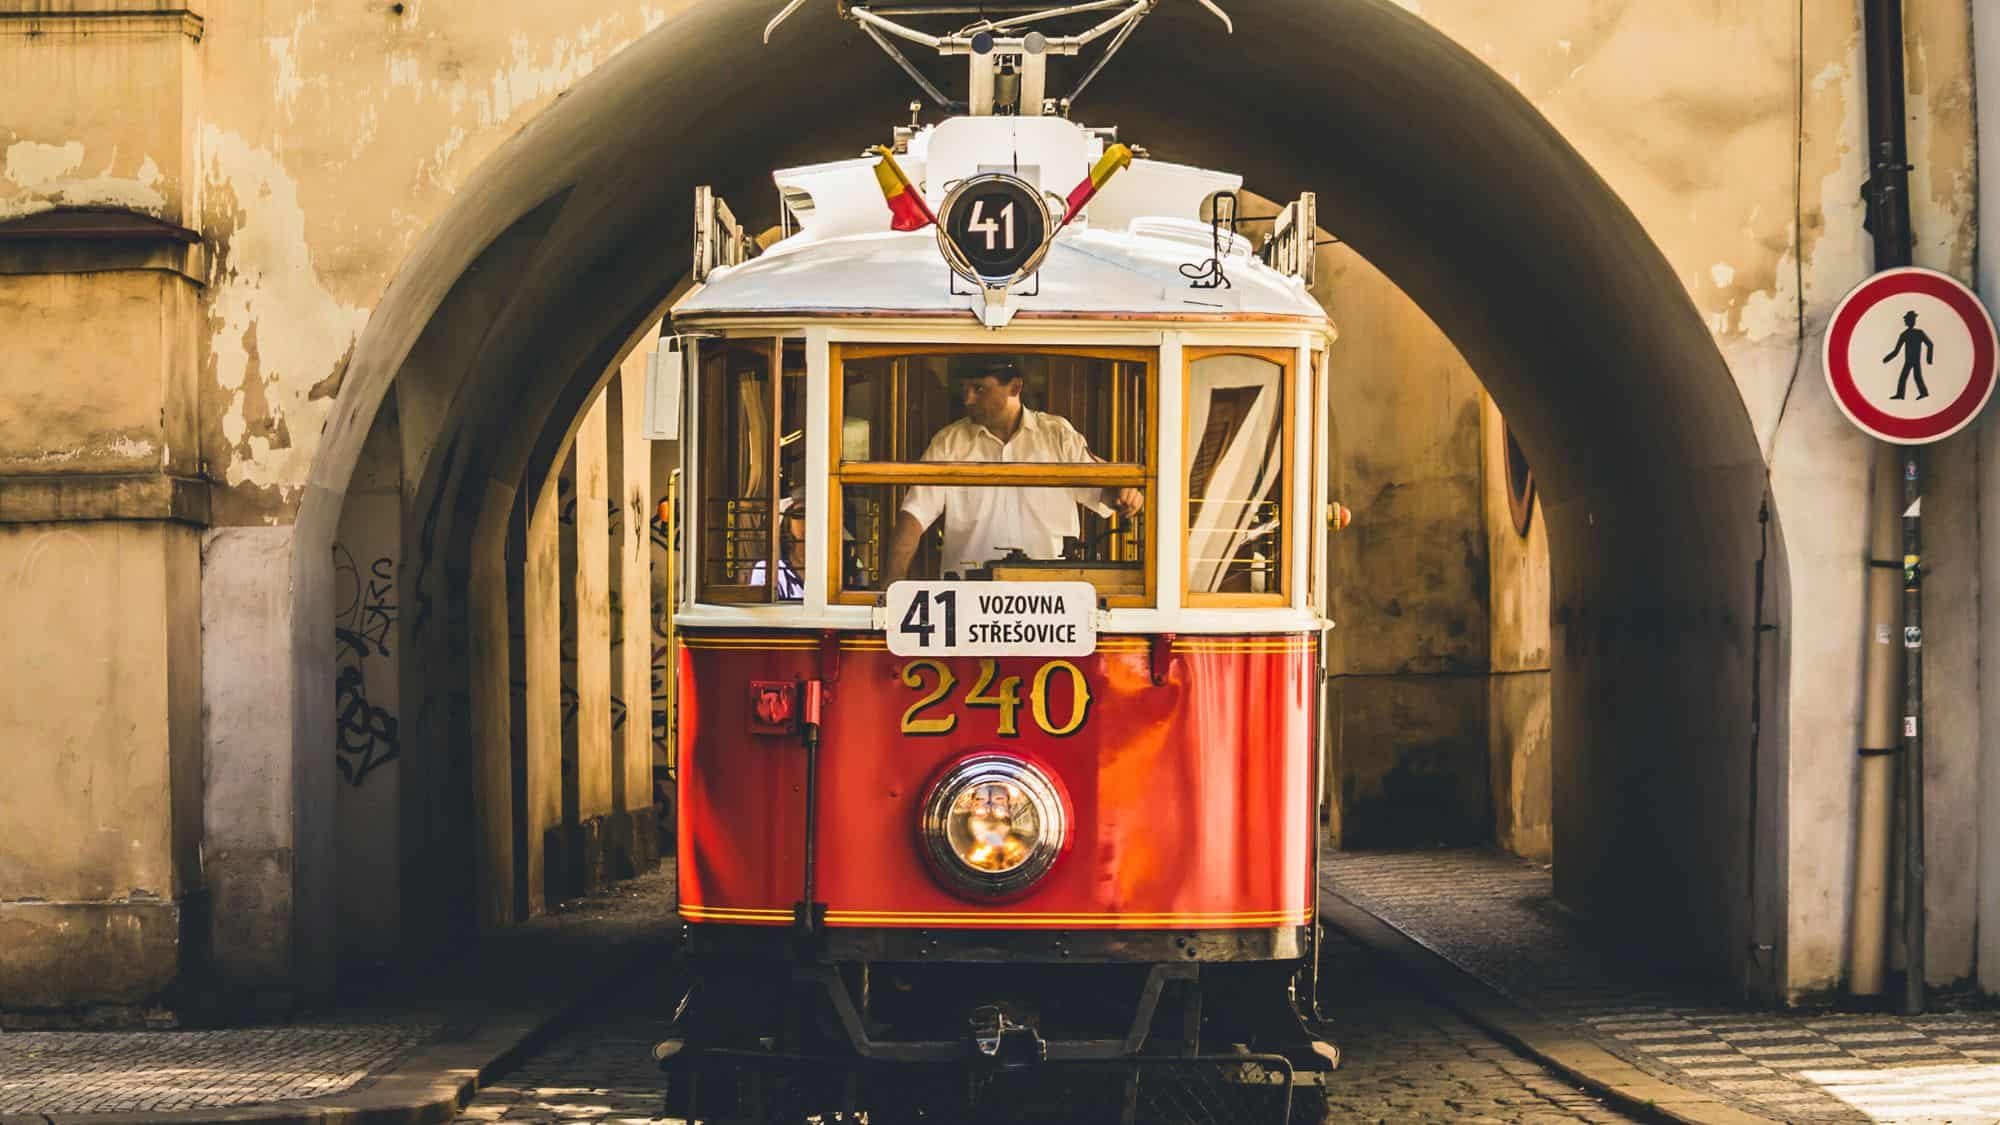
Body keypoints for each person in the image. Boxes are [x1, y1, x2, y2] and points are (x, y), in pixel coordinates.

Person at [883, 360, 1143, 583]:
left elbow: (1108, 493)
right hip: (967, 602)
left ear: (1015, 387)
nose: (967, 399)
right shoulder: (949, 443)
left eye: (979, 388)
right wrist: (890, 590)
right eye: (964, 389)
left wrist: (1127, 493)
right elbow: (913, 517)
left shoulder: (1057, 435)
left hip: (1050, 605)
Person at [749, 489, 808, 599]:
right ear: (787, 522)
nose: (809, 520)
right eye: (800, 513)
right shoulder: (767, 572)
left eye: (816, 514)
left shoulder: (833, 575)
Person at [1884, 309, 1934, 401]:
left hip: (1913, 360)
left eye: (1907, 319)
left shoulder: (1916, 333)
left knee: (1910, 376)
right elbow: (1896, 351)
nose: (1905, 321)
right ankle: (1905, 394)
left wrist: (1929, 359)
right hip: (1910, 360)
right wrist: (1886, 359)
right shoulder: (1905, 334)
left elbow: (1930, 344)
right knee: (1912, 376)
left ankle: (1918, 393)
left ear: (1911, 320)